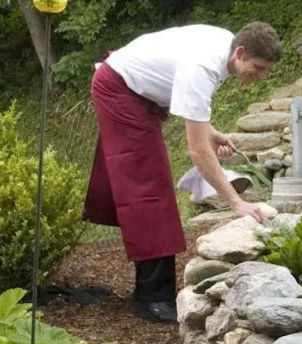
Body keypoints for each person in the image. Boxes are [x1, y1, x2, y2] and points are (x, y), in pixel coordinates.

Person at [84, 21, 282, 323]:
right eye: (258, 67)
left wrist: (210, 131)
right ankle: (153, 298)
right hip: (119, 91)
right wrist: (235, 202)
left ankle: (153, 290)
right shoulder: (204, 65)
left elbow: (188, 103)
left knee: (151, 186)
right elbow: (197, 150)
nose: (261, 76)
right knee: (148, 188)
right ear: (240, 52)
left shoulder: (225, 49)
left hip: (137, 93)